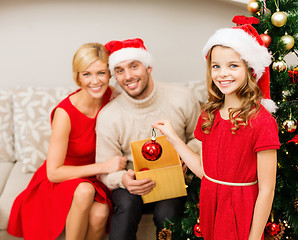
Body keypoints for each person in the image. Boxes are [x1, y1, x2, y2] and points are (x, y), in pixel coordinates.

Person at [153, 17, 281, 240]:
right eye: (216, 66)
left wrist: (254, 237)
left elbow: (267, 189)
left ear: (250, 69)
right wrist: (173, 137)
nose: (222, 73)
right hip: (211, 204)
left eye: (233, 66)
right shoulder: (209, 115)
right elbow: (205, 172)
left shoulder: (262, 122)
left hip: (241, 209)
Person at [7, 43, 127, 240]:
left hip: (93, 177)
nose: (95, 81)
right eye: (87, 74)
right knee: (85, 190)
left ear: (110, 74)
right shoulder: (65, 113)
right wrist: (104, 166)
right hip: (64, 177)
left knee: (100, 214)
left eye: (101, 73)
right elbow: (54, 172)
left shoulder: (111, 96)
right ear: (77, 76)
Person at [95, 38, 201, 240]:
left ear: (148, 67)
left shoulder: (183, 98)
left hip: (174, 179)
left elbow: (199, 139)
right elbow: (105, 170)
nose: (128, 76)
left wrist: (186, 158)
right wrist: (123, 179)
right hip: (131, 183)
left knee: (168, 213)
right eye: (119, 70)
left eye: (134, 66)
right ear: (115, 76)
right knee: (125, 207)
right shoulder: (109, 116)